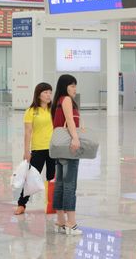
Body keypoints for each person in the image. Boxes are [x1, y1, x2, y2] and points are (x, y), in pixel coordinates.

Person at [14, 82, 55, 215]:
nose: (48, 95)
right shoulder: (31, 111)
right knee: (31, 178)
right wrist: (26, 151)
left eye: (50, 92)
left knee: (52, 178)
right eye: (45, 92)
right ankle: (21, 204)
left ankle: (52, 205)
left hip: (54, 149)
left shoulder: (53, 110)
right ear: (38, 95)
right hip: (38, 149)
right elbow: (28, 132)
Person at [51, 74, 82, 236]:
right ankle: (71, 223)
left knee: (60, 185)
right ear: (65, 87)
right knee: (70, 185)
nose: (75, 89)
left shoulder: (57, 101)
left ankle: (60, 221)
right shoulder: (67, 100)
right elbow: (70, 121)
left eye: (75, 86)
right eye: (72, 86)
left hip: (59, 148)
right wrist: (76, 138)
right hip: (69, 148)